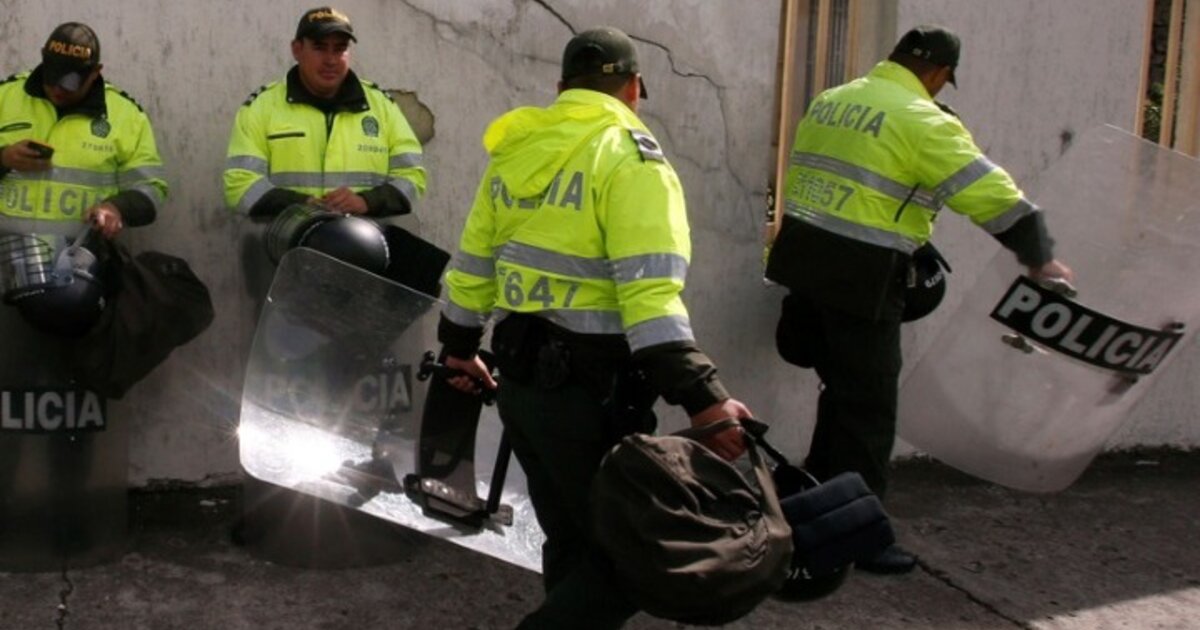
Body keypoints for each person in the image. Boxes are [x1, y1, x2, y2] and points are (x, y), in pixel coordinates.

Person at [437, 27, 752, 628]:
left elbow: (473, 265)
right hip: (591, 397)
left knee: (571, 539)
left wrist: (458, 346)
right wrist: (705, 400)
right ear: (634, 88)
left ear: (562, 87)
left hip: (522, 388)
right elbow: (650, 298)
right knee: (636, 556)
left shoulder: (517, 151)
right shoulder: (631, 157)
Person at [765, 25, 1074, 575]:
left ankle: (816, 501)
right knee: (868, 409)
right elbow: (988, 193)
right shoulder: (924, 120)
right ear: (938, 74)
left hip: (804, 261)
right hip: (863, 277)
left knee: (839, 391)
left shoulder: (833, 100)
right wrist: (1039, 256)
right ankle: (859, 539)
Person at [223, 6, 426, 221]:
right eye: (320, 48)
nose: (331, 60)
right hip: (289, 238)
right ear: (297, 50)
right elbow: (240, 185)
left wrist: (366, 201)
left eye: (340, 49)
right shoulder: (261, 107)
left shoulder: (382, 106)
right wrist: (302, 205)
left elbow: (413, 177)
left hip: (366, 239)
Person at [0, 21, 167, 240]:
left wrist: (117, 208)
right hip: (6, 254)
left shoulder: (126, 116)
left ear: (95, 72)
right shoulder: (5, 97)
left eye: (70, 82)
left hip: (79, 257)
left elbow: (152, 188)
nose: (58, 89)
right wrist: (3, 158)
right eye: (53, 76)